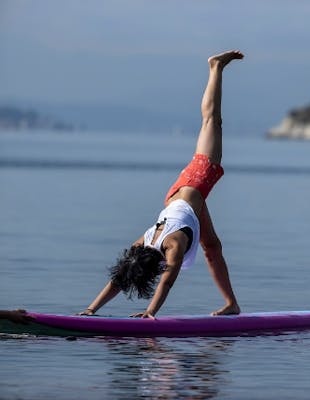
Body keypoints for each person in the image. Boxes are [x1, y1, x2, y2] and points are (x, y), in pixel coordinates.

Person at [79, 50, 244, 319]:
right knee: (212, 248)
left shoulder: (173, 246)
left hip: (195, 182)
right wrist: (90, 309)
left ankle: (216, 68)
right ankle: (232, 305)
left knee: (212, 121)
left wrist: (150, 311)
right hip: (182, 198)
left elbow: (167, 281)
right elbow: (120, 277)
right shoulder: (142, 245)